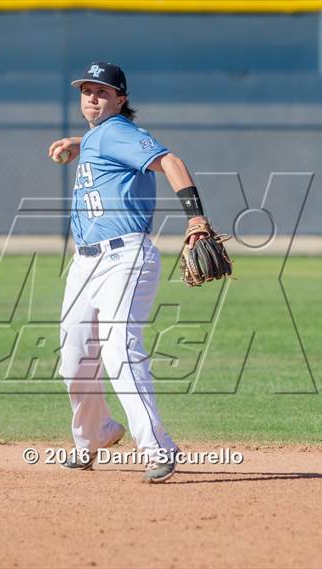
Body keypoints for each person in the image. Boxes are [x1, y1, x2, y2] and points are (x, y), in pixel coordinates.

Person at [49, 61, 209, 483]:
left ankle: (158, 447)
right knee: (75, 360)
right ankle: (95, 434)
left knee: (119, 350)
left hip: (123, 258)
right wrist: (80, 143)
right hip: (85, 262)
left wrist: (195, 220)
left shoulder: (119, 131)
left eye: (102, 92)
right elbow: (107, 142)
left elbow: (171, 161)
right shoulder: (102, 135)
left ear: (121, 99)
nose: (92, 97)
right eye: (87, 91)